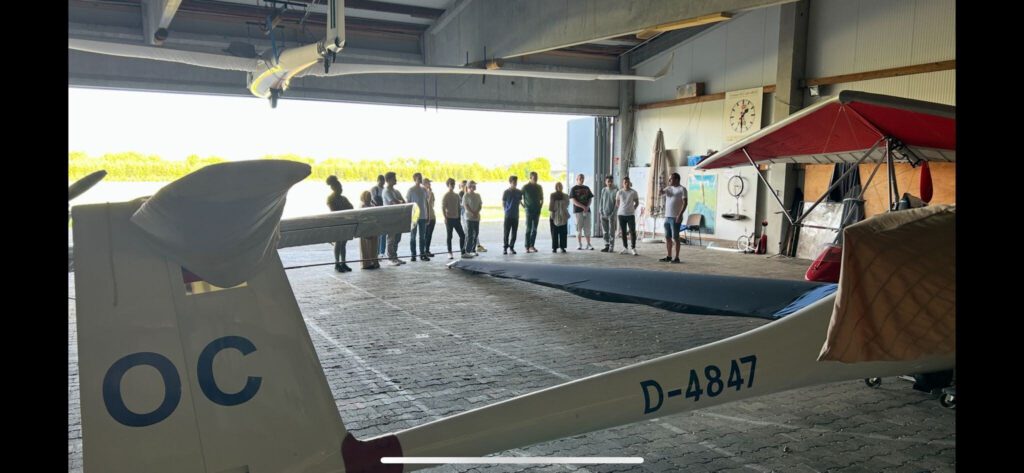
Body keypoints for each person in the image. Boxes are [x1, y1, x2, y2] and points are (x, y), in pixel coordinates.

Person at [325, 175, 354, 272]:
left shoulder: (343, 198)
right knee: (338, 243)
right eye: (339, 188)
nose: (341, 189)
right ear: (334, 188)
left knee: (343, 244)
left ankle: (343, 262)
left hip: (345, 223)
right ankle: (337, 263)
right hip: (337, 223)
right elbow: (334, 211)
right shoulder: (330, 198)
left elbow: (351, 208)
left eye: (341, 188)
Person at [660, 172, 688, 263]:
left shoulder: (682, 189)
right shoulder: (668, 188)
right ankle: (669, 256)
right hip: (667, 216)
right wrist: (660, 188)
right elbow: (661, 193)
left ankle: (677, 257)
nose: (669, 181)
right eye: (669, 179)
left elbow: (685, 203)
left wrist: (680, 215)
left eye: (670, 179)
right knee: (667, 237)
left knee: (675, 237)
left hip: (675, 217)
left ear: (676, 179)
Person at [382, 172, 406, 266]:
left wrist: (399, 201)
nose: (395, 180)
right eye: (393, 178)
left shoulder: (396, 191)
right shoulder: (386, 191)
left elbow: (403, 202)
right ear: (388, 180)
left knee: (397, 238)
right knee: (391, 238)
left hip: (398, 218)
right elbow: (395, 202)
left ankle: (395, 256)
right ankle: (390, 258)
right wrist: (399, 201)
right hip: (390, 218)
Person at [406, 172, 430, 261]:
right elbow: (408, 203)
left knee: (422, 237)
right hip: (414, 216)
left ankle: (422, 254)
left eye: (421, 177)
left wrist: (428, 215)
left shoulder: (424, 190)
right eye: (418, 177)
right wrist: (408, 216)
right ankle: (413, 254)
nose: (420, 179)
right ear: (414, 179)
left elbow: (427, 202)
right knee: (413, 236)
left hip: (423, 215)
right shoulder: (411, 190)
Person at [442, 178, 468, 259]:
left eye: (453, 184)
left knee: (462, 235)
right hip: (449, 219)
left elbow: (458, 207)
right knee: (449, 236)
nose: (452, 185)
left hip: (456, 219)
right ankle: (450, 252)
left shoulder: (457, 196)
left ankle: (463, 252)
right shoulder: (446, 196)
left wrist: (459, 217)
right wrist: (445, 218)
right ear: (448, 185)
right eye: (451, 184)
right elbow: (443, 207)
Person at [569, 173, 594, 250]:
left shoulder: (587, 188)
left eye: (583, 178)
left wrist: (587, 206)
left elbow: (590, 199)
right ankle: (579, 244)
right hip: (578, 211)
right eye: (580, 178)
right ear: (577, 179)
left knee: (587, 228)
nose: (581, 180)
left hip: (587, 211)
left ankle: (588, 244)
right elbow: (573, 201)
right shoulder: (573, 189)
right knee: (578, 228)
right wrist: (583, 207)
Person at [616, 176, 640, 255]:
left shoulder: (633, 192)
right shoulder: (619, 192)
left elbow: (637, 202)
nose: (626, 184)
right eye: (625, 182)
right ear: (623, 184)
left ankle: (633, 248)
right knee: (623, 232)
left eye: (627, 182)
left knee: (632, 231)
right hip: (621, 214)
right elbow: (617, 202)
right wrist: (621, 208)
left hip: (630, 214)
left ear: (629, 183)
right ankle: (625, 248)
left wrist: (633, 208)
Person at [521, 172, 544, 253]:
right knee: (528, 228)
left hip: (537, 210)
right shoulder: (525, 187)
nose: (535, 179)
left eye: (536, 178)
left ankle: (532, 246)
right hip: (529, 210)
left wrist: (540, 206)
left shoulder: (539, 187)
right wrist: (524, 206)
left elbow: (542, 198)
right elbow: (520, 198)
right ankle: (527, 246)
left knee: (534, 229)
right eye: (534, 178)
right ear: (530, 178)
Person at [358, 190, 381, 269]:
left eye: (370, 196)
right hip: (365, 230)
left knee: (373, 247)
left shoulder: (372, 205)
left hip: (373, 229)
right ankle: (366, 263)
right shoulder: (362, 206)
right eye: (367, 196)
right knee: (366, 247)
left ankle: (374, 262)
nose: (369, 198)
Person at [502, 175, 524, 254]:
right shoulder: (506, 192)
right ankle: (505, 248)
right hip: (508, 215)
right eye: (514, 182)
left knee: (514, 233)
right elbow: (504, 202)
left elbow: (520, 201)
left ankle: (511, 247)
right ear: (510, 182)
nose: (515, 183)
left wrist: (524, 206)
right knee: (506, 232)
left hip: (516, 215)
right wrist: (505, 210)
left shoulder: (519, 192)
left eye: (516, 182)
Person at [598, 175, 618, 253]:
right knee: (605, 231)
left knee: (611, 231)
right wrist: (600, 211)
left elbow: (617, 204)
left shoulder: (616, 190)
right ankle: (606, 245)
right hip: (603, 214)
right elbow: (601, 201)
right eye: (608, 181)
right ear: (605, 182)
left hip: (611, 214)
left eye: (611, 181)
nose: (609, 183)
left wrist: (613, 213)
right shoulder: (603, 190)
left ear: (612, 182)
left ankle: (611, 247)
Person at [549, 181, 570, 253]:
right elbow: (551, 205)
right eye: (558, 186)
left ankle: (562, 246)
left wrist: (561, 206)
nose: (559, 188)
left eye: (560, 186)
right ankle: (554, 247)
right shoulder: (552, 195)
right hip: (554, 215)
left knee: (563, 232)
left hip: (563, 215)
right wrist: (553, 213)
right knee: (554, 232)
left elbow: (567, 204)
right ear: (556, 187)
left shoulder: (565, 195)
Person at [463, 181, 482, 257]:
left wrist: (476, 212)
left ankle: (473, 249)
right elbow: (466, 206)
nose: (475, 186)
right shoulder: (466, 195)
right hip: (469, 218)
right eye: (473, 185)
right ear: (469, 186)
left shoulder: (478, 195)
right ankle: (468, 250)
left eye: (475, 185)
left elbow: (480, 205)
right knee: (470, 234)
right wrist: (473, 213)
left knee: (476, 233)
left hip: (476, 218)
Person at [370, 174, 387, 257]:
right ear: (378, 181)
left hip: (383, 213)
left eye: (383, 180)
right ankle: (376, 252)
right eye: (381, 180)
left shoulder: (385, 190)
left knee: (383, 233)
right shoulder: (374, 189)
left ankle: (382, 252)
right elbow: (371, 200)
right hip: (376, 213)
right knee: (377, 234)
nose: (383, 182)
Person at [423, 178, 437, 258]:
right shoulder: (423, 193)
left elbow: (432, 205)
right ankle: (424, 251)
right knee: (425, 235)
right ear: (424, 184)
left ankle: (427, 250)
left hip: (432, 216)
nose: (430, 185)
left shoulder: (431, 193)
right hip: (426, 216)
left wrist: (431, 193)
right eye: (428, 183)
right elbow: (427, 203)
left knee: (429, 235)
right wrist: (430, 194)